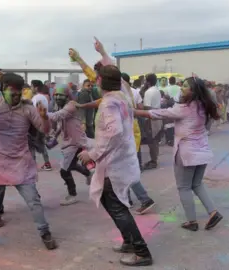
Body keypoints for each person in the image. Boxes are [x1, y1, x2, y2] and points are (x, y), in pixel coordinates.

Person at [0, 48, 57, 252]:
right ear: (4, 88)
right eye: (12, 92)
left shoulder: (28, 109)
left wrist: (43, 117)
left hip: (20, 163)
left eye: (19, 92)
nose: (16, 96)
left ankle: (45, 233)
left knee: (34, 201)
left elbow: (44, 129)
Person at [78, 65, 153, 267]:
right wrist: (101, 51)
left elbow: (114, 132)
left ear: (100, 81)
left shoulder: (109, 103)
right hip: (122, 160)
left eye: (97, 78)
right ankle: (129, 242)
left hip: (114, 164)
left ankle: (142, 251)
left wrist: (92, 154)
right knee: (109, 201)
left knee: (117, 207)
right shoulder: (122, 96)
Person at [135, 76, 223, 232]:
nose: (182, 89)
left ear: (193, 91)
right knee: (197, 184)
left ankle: (192, 221)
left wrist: (134, 111)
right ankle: (213, 212)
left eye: (185, 87)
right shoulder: (203, 105)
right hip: (202, 152)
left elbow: (157, 113)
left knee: (184, 187)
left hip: (187, 153)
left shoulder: (184, 109)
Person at [46, 84, 92, 206]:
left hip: (76, 142)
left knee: (64, 170)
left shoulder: (71, 105)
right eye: (55, 95)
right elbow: (61, 124)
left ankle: (72, 195)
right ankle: (88, 173)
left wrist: (40, 113)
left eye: (60, 95)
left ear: (67, 95)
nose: (57, 97)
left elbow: (56, 117)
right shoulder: (62, 106)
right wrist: (54, 136)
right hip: (71, 142)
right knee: (71, 165)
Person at [141, 73, 162, 170]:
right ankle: (154, 159)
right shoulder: (157, 90)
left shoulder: (148, 92)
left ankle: (153, 161)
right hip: (158, 115)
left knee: (152, 140)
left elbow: (147, 107)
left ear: (147, 81)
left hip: (151, 116)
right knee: (155, 140)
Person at [31, 81, 52, 171]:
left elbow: (35, 110)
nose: (31, 89)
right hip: (42, 122)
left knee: (31, 144)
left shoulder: (36, 97)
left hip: (36, 123)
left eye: (31, 86)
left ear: (36, 88)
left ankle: (32, 165)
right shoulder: (44, 97)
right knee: (41, 144)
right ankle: (47, 163)